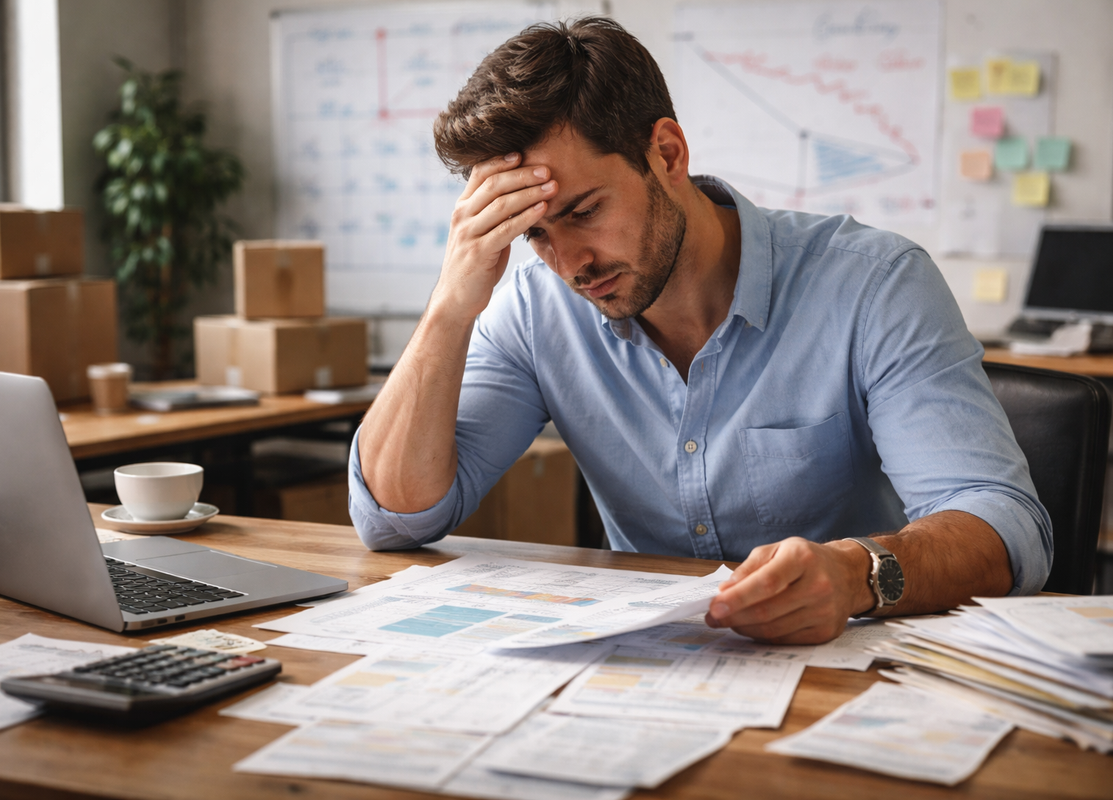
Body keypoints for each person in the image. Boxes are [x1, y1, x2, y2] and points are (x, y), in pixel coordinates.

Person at [347, 17, 1051, 644]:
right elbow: (396, 518)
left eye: (586, 210)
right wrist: (450, 304)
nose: (570, 263)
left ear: (668, 154)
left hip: (848, 666)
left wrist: (856, 572)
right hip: (643, 677)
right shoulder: (535, 307)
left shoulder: (873, 284)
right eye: (533, 233)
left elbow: (1004, 527)